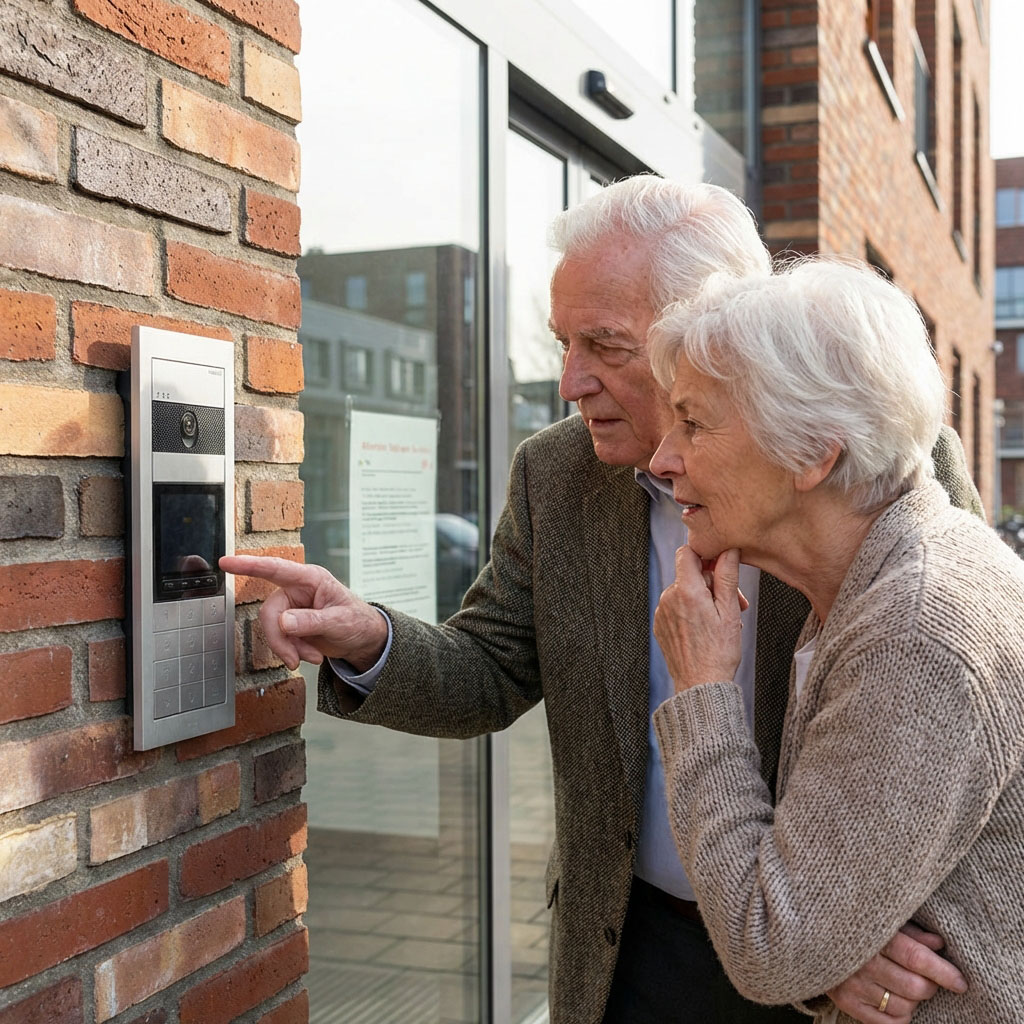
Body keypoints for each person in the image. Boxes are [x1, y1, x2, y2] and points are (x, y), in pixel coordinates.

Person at [221, 177, 976, 1024]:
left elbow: (953, 735)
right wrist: (368, 638)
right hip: (632, 950)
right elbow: (490, 666)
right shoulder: (557, 474)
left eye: (605, 345)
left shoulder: (877, 462)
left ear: (709, 332)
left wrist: (841, 930)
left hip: (836, 982)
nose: (570, 381)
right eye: (561, 343)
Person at [648, 258, 1024, 1023]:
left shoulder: (917, 634)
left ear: (814, 450)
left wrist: (703, 691)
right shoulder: (884, 577)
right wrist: (828, 944)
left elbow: (769, 945)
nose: (663, 460)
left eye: (692, 421)